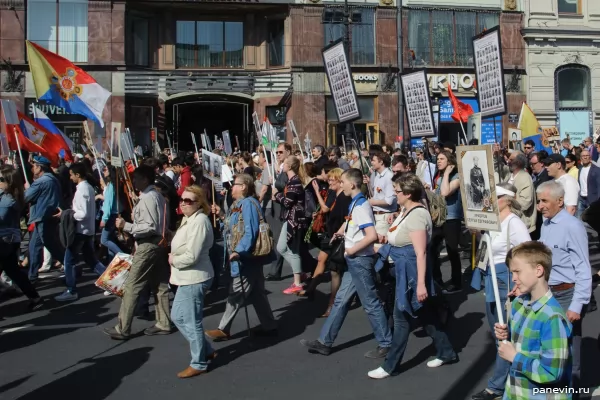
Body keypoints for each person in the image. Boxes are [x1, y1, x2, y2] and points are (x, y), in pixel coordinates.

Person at [368, 174, 456, 379]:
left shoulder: (417, 215)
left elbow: (420, 252)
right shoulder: (406, 211)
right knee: (425, 314)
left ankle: (390, 366)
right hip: (402, 269)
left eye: (397, 191)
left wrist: (421, 285)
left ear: (408, 193)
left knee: (401, 318)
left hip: (410, 273)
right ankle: (447, 352)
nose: (394, 194)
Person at [300, 168, 392, 359]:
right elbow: (352, 222)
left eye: (342, 182)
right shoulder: (356, 204)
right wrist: (342, 230)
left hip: (360, 260)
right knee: (341, 301)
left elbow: (371, 235)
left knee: (371, 303)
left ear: (352, 184)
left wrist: (351, 249)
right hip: (354, 261)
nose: (340, 185)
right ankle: (325, 342)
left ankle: (386, 343)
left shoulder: (360, 206)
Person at [470, 183, 531, 400]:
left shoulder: (514, 223)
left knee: (504, 334)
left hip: (504, 279)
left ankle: (496, 386)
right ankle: (506, 381)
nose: (491, 199)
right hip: (491, 277)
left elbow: (528, 252)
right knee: (499, 332)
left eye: (496, 196)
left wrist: (520, 280)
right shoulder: (492, 222)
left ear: (506, 200)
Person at [495, 241, 572, 400]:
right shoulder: (518, 304)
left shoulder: (553, 318)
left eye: (517, 272)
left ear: (538, 270)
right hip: (515, 393)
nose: (513, 278)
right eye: (512, 273)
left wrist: (514, 357)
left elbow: (551, 373)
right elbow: (517, 346)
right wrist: (505, 336)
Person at [104, 165, 173, 340]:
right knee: (160, 285)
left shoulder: (149, 197)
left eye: (137, 178)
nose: (133, 181)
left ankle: (123, 327)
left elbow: (149, 226)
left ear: (145, 179)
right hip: (158, 243)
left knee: (132, 285)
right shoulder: (156, 196)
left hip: (149, 244)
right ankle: (163, 322)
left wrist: (126, 226)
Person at [206, 173, 277, 341]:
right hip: (245, 256)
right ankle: (269, 325)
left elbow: (250, 231)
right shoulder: (237, 204)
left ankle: (223, 328)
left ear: (244, 186)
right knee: (257, 293)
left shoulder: (249, 204)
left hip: (246, 257)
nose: (232, 187)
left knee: (237, 292)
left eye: (235, 184)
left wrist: (239, 250)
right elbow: (232, 226)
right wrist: (222, 215)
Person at [537, 181, 590, 395]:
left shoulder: (572, 226)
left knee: (569, 352)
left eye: (544, 201)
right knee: (552, 350)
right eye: (539, 201)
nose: (540, 206)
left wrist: (577, 305)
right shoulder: (546, 223)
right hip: (549, 293)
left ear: (560, 202)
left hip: (568, 294)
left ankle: (575, 393)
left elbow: (583, 268)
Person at [169, 185, 215, 379]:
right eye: (182, 199)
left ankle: (199, 362)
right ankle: (205, 349)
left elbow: (192, 255)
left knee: (192, 321)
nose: (184, 203)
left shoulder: (199, 221)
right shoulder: (188, 219)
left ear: (199, 203)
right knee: (177, 317)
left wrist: (174, 260)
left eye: (189, 201)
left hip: (194, 277)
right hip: (185, 277)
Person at [55, 163, 106, 302]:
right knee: (91, 260)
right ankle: (110, 282)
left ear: (78, 175)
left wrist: (67, 213)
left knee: (69, 261)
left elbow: (82, 214)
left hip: (80, 231)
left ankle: (71, 290)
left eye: (71, 174)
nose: (70, 177)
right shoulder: (87, 187)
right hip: (87, 230)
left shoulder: (82, 190)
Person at [0, 165, 43, 310]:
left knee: (13, 270)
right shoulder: (12, 197)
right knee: (13, 271)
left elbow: (1, 218)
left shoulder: (7, 199)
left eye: (0, 179)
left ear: (8, 181)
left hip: (4, 240)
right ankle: (34, 296)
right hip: (12, 239)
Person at [25, 156, 65, 283]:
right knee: (35, 246)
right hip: (47, 216)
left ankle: (70, 265)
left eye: (34, 166)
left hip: (43, 216)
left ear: (40, 167)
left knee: (50, 245)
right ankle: (32, 275)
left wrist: (27, 187)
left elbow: (26, 197)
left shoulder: (41, 181)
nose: (32, 168)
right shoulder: (53, 179)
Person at [273, 155, 309, 294]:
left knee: (292, 250)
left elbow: (288, 202)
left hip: (294, 220)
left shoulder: (295, 182)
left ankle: (297, 281)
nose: (283, 165)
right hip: (289, 218)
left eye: (285, 163)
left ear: (289, 166)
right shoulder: (291, 181)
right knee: (281, 247)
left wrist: (277, 195)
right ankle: (299, 272)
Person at [430, 151, 463, 294]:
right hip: (439, 219)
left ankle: (457, 282)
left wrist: (448, 174)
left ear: (450, 162)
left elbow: (445, 192)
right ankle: (437, 279)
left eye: (442, 159)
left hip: (451, 218)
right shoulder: (440, 177)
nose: (438, 161)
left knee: (452, 251)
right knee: (432, 248)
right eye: (437, 159)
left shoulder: (456, 177)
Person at [99, 166, 124, 261]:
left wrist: (104, 219)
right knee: (111, 239)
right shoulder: (114, 184)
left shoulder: (111, 186)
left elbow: (108, 204)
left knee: (104, 240)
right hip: (114, 214)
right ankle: (112, 261)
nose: (103, 171)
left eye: (105, 169)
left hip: (110, 216)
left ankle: (123, 257)